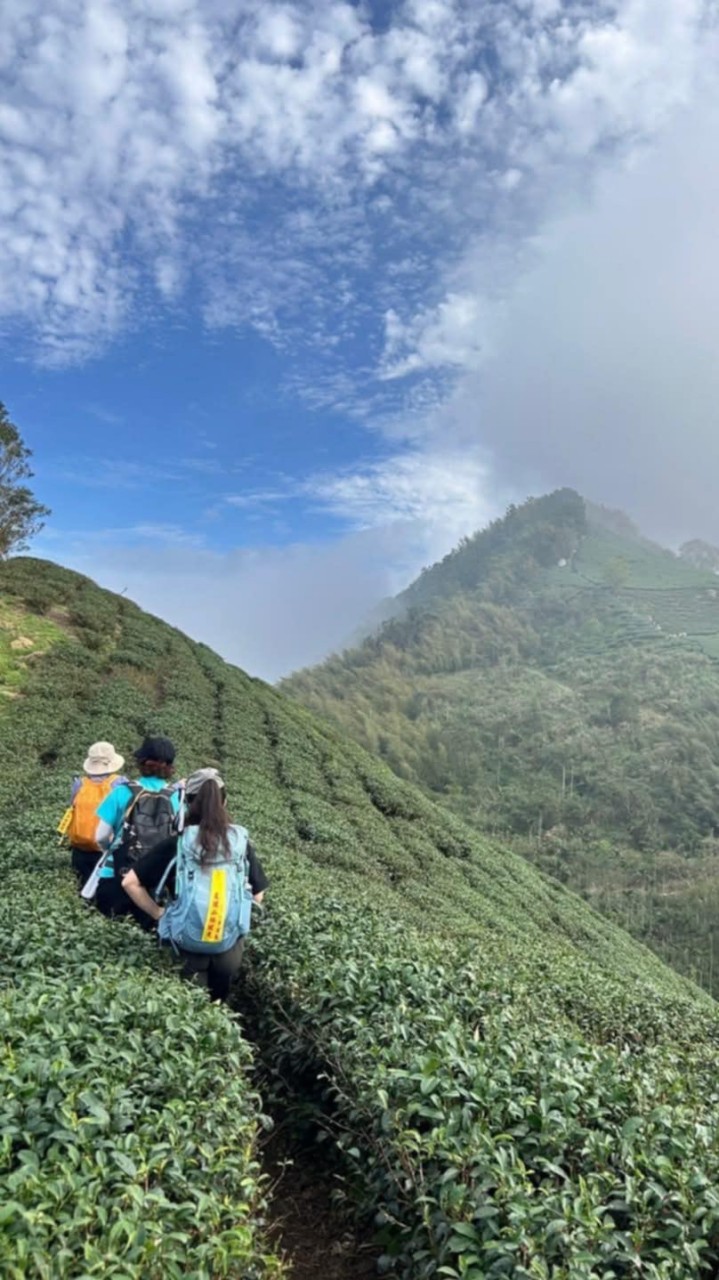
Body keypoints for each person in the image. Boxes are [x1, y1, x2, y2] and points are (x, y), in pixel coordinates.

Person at [122, 767, 267, 1002]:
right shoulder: (239, 844)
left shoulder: (177, 845)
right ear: (225, 802)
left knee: (191, 1008)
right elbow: (258, 893)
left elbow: (130, 882)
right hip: (228, 946)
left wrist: (159, 914)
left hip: (184, 944)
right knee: (220, 1004)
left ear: (187, 804)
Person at [94, 736, 181, 925]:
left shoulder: (121, 792)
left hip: (116, 875)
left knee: (108, 938)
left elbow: (100, 835)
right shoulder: (176, 797)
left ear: (142, 762)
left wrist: (109, 850)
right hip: (155, 880)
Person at [65, 742, 127, 889]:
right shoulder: (119, 783)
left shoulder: (79, 784)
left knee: (81, 889)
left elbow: (71, 805)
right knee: (105, 890)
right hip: (106, 850)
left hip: (80, 849)